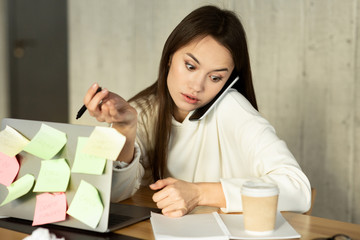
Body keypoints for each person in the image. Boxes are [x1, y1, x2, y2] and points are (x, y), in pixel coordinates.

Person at [83, 5, 311, 217]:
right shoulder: (143, 110)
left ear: (229, 80)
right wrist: (124, 128)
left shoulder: (231, 107)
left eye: (215, 77)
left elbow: (299, 190)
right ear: (170, 56)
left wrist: (200, 193)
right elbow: (111, 194)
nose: (197, 86)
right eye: (190, 66)